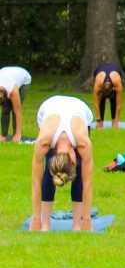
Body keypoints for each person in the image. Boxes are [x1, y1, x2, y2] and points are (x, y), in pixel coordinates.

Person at [30, 95, 95, 231]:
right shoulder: (43, 141)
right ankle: (45, 224)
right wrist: (36, 220)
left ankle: (77, 225)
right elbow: (36, 181)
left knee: (80, 173)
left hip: (80, 109)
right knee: (48, 172)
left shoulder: (83, 143)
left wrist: (87, 220)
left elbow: (87, 183)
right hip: (49, 107)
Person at [0, 65, 32, 142]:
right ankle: (4, 135)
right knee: (5, 110)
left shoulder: (13, 91)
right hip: (7, 73)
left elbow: (18, 113)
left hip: (24, 79)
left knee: (14, 110)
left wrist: (18, 134)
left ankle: (16, 134)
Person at [91, 62, 124, 128]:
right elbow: (96, 103)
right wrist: (98, 120)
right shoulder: (98, 83)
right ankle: (101, 121)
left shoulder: (117, 82)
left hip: (115, 71)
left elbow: (119, 104)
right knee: (101, 100)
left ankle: (113, 120)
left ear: (114, 88)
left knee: (114, 100)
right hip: (99, 71)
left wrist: (116, 122)